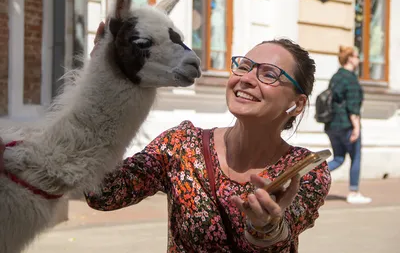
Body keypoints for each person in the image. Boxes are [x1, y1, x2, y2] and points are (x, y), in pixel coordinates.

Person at [0, 23, 331, 252]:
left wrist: (267, 226)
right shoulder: (182, 146)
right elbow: (105, 193)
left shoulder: (304, 170)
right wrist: (103, 90)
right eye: (244, 66)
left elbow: (285, 227)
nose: (246, 79)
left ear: (296, 103)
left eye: (269, 74)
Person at [324, 45, 371, 204]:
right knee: (355, 157)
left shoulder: (336, 76)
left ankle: (308, 175)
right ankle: (354, 192)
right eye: (357, 56)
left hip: (331, 125)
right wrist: (356, 127)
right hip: (346, 125)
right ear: (350, 58)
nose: (359, 59)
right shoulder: (350, 78)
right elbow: (352, 106)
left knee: (338, 158)